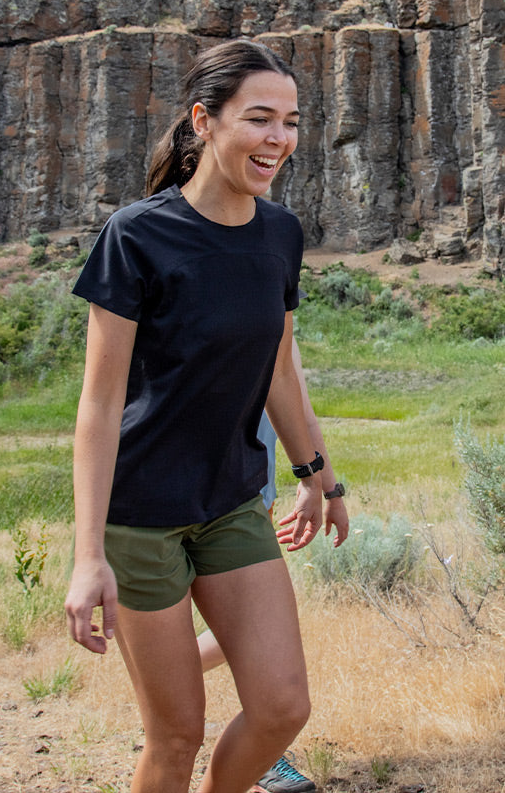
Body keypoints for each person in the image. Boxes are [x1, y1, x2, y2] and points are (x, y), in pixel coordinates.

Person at [65, 38, 348, 793]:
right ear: (205, 122)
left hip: (230, 502)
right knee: (176, 734)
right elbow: (97, 406)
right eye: (260, 119)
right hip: (141, 514)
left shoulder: (280, 235)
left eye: (290, 121)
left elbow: (280, 368)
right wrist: (87, 552)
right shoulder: (137, 235)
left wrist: (318, 473)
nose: (278, 139)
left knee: (282, 704)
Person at [198, 338, 348, 793]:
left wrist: (329, 488)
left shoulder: (275, 307)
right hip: (168, 497)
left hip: (247, 498)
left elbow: (300, 409)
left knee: (254, 635)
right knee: (248, 636)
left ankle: (264, 753)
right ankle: (164, 680)